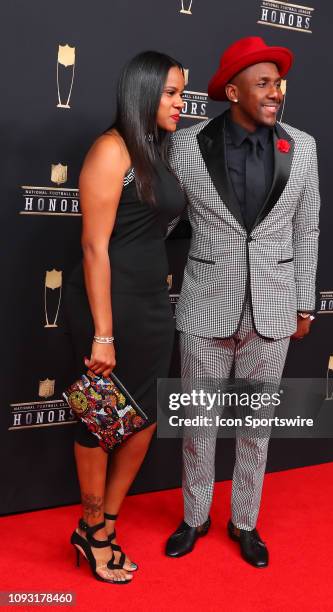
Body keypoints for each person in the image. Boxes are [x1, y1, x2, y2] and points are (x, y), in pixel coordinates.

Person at [165, 36, 320, 568]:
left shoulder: (303, 147)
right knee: (199, 425)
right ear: (232, 90)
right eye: (263, 82)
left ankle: (245, 521)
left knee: (256, 427)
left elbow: (308, 229)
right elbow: (161, 212)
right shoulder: (185, 146)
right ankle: (195, 516)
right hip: (207, 306)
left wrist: (305, 305)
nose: (276, 91)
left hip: (273, 312)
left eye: (279, 82)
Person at [65, 51, 185, 583]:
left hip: (152, 305)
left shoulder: (156, 152)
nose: (181, 104)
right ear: (143, 92)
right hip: (107, 307)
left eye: (182, 93)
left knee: (144, 417)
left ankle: (107, 522)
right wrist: (103, 333)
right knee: (99, 419)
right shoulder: (110, 150)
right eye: (172, 93)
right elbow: (94, 247)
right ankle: (91, 532)